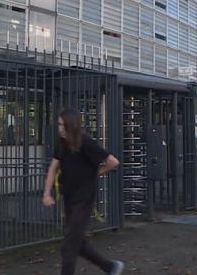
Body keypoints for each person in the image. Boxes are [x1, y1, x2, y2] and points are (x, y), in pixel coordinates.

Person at [42, 108, 124, 275]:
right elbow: (53, 168)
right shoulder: (61, 143)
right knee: (77, 243)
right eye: (58, 124)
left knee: (68, 247)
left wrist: (96, 173)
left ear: (71, 126)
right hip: (69, 198)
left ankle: (109, 267)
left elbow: (113, 162)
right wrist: (46, 193)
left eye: (62, 125)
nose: (59, 128)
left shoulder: (86, 143)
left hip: (84, 200)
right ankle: (110, 267)